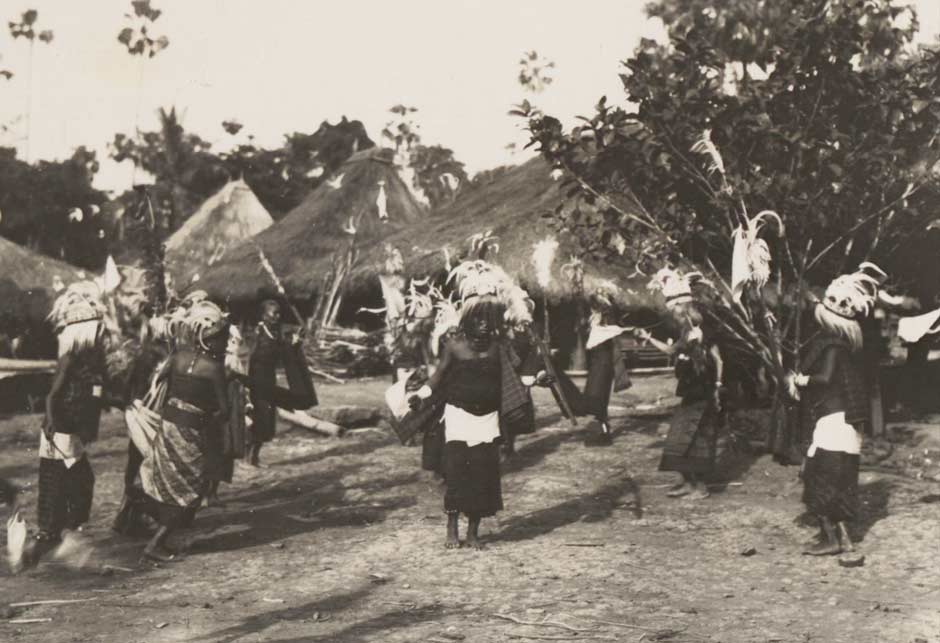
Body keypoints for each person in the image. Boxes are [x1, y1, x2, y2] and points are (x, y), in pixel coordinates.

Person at [410, 263, 535, 549]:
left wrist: (537, 376)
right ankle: (452, 528)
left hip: (488, 421)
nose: (483, 325)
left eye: (488, 320)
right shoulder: (455, 345)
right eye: (477, 319)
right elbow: (438, 377)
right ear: (467, 319)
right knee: (456, 473)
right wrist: (421, 394)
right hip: (458, 418)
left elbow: (519, 375)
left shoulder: (499, 345)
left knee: (483, 475)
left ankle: (474, 533)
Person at [133, 301, 231, 561]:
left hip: (168, 427)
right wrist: (211, 417)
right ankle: (155, 544)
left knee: (165, 481)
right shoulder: (214, 368)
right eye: (222, 339)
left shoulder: (178, 357)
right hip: (191, 432)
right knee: (188, 489)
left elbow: (161, 384)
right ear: (207, 339)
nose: (226, 343)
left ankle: (150, 529)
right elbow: (225, 410)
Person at [788, 269, 875, 556]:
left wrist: (801, 381)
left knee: (819, 479)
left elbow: (824, 379)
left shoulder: (832, 346)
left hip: (835, 423)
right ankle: (844, 538)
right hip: (842, 422)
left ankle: (830, 540)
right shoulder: (843, 347)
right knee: (836, 480)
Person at [23, 283, 109, 566]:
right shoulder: (71, 358)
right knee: (71, 483)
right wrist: (50, 422)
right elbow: (52, 395)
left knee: (64, 484)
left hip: (67, 428)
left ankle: (53, 538)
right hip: (60, 431)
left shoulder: (86, 358)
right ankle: (55, 538)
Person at [638, 269, 724, 500]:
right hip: (689, 390)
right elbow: (672, 350)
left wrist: (717, 385)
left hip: (703, 391)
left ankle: (700, 487)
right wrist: (648, 338)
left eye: (675, 308)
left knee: (696, 438)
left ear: (683, 306)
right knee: (679, 437)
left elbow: (718, 359)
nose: (672, 312)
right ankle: (688, 482)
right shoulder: (686, 331)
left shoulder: (703, 329)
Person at [247, 300, 315, 466]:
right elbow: (250, 357)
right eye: (273, 313)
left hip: (268, 380)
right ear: (264, 315)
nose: (277, 316)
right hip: (257, 381)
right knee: (260, 417)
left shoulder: (275, 332)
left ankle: (253, 457)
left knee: (267, 418)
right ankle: (250, 457)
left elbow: (281, 351)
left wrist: (293, 344)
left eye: (278, 313)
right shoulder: (258, 333)